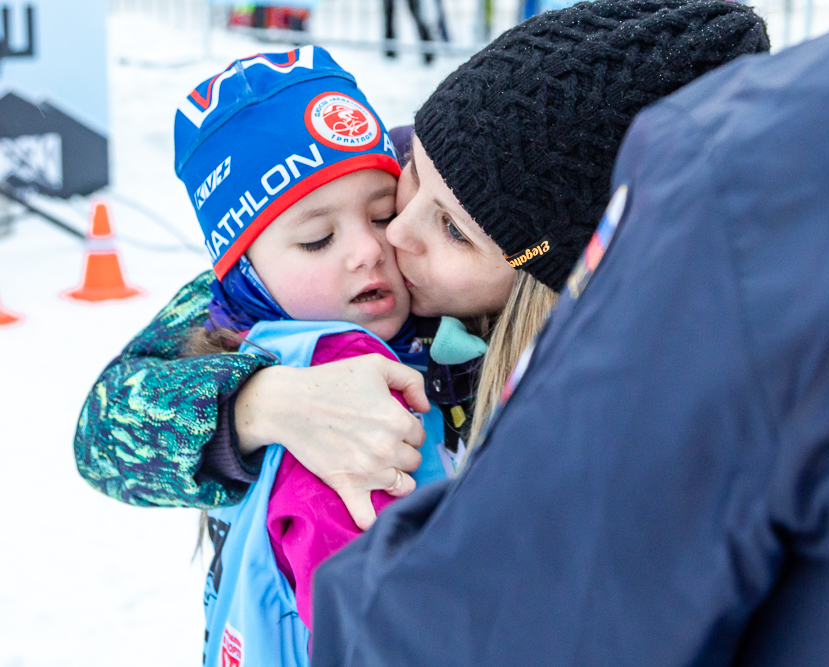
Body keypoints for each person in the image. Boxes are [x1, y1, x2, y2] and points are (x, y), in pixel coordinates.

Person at [310, 0, 829, 664]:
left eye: (452, 229)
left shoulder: (641, 386)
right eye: (410, 178)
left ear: (559, 274)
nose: (393, 232)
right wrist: (251, 402)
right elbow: (231, 294)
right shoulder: (389, 253)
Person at [74, 0, 769, 525]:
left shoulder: (518, 245)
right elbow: (103, 430)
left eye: (390, 212)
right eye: (411, 181)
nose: (385, 241)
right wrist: (265, 405)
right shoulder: (297, 261)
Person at [173, 47, 456, 665]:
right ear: (245, 280)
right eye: (316, 239)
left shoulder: (423, 324)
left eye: (384, 216)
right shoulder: (337, 417)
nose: (368, 251)